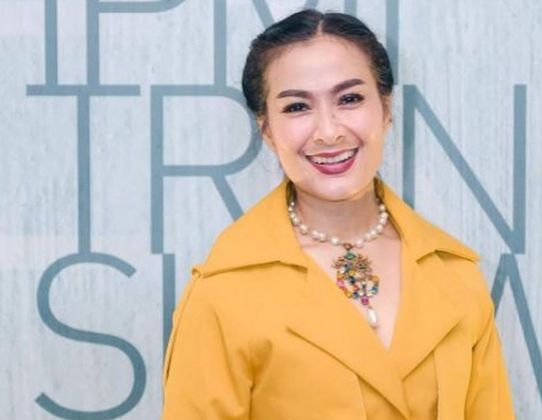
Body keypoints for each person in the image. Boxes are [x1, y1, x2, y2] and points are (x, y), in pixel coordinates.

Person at [161, 8, 514, 420]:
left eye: (349, 99)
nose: (329, 132)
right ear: (267, 128)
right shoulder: (222, 291)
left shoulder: (456, 275)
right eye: (297, 107)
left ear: (386, 108)